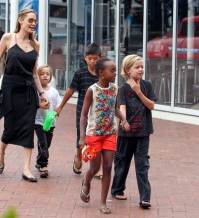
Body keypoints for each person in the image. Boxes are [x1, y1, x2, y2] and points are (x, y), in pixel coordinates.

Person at [0, 9, 48, 183]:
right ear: (21, 20)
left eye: (35, 21)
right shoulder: (8, 38)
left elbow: (34, 74)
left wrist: (41, 94)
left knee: (28, 126)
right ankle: (1, 153)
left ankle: (26, 168)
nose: (33, 23)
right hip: (10, 90)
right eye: (30, 20)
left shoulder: (36, 45)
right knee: (9, 128)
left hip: (28, 92)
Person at [79, 58, 129, 214]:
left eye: (115, 70)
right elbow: (83, 115)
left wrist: (123, 119)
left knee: (107, 167)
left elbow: (114, 108)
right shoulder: (91, 90)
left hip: (110, 133)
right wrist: (82, 137)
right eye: (112, 70)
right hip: (94, 134)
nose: (115, 73)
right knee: (94, 168)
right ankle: (86, 182)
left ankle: (102, 203)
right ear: (101, 73)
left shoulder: (115, 89)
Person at [111, 54, 157, 209]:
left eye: (142, 66)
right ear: (128, 70)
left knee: (142, 165)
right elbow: (121, 106)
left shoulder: (147, 86)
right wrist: (124, 120)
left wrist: (138, 91)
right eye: (137, 67)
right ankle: (117, 189)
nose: (141, 69)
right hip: (126, 133)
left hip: (143, 133)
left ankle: (145, 198)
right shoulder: (122, 89)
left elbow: (151, 106)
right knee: (122, 162)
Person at [55, 42, 102, 177]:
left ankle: (97, 168)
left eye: (95, 58)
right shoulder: (80, 73)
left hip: (99, 111)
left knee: (97, 137)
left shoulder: (102, 73)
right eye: (90, 58)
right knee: (81, 135)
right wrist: (60, 107)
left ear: (100, 58)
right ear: (85, 58)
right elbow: (70, 91)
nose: (92, 61)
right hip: (83, 111)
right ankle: (78, 156)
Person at [34, 65, 62, 178]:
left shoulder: (54, 92)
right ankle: (43, 166)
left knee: (47, 143)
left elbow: (58, 105)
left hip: (50, 122)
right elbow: (32, 105)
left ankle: (39, 159)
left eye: (47, 74)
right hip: (38, 121)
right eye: (42, 74)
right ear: (37, 76)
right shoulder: (36, 91)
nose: (45, 76)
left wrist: (57, 111)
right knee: (43, 143)